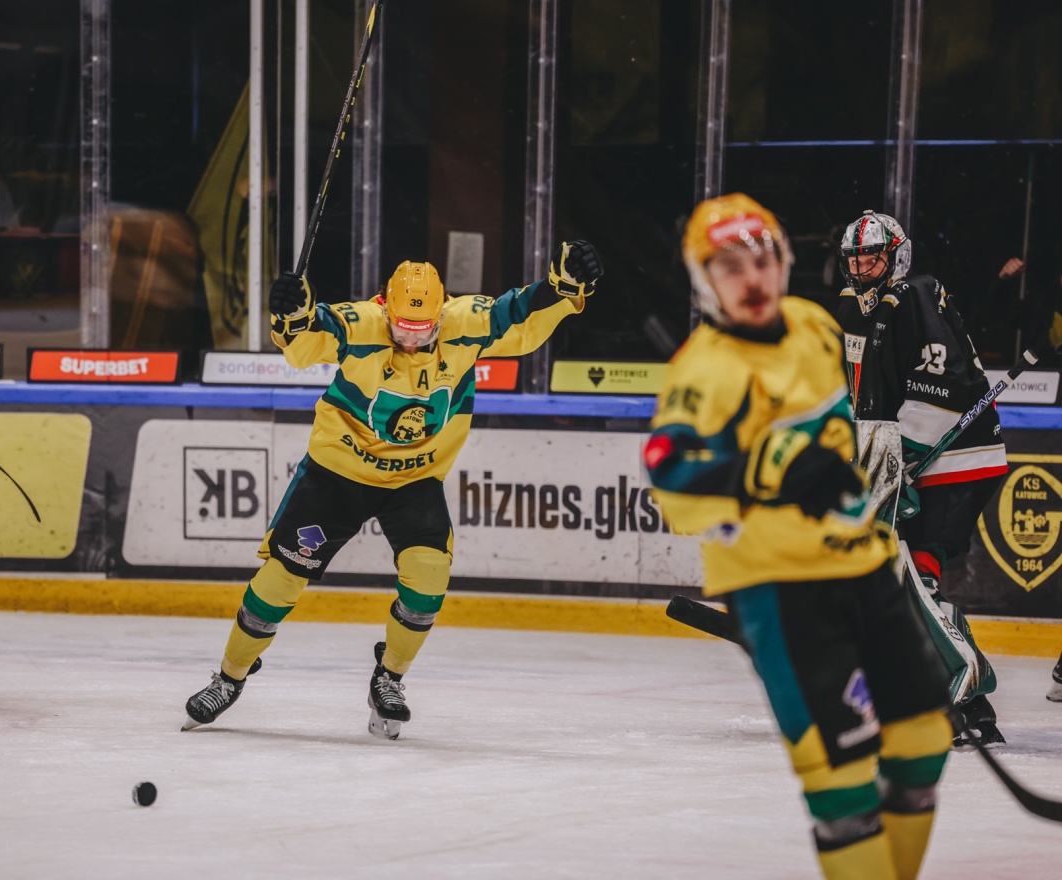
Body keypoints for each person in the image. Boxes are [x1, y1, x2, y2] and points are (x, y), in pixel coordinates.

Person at [645, 194, 951, 880]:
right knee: (841, 783)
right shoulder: (703, 369)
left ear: (784, 263)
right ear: (704, 282)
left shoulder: (815, 327)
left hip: (862, 565)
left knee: (924, 741)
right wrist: (767, 470)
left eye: (762, 261)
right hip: (781, 591)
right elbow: (670, 474)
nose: (751, 279)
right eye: (729, 268)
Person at [182, 243, 602, 739]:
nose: (412, 338)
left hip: (414, 480)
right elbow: (309, 339)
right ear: (384, 308)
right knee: (281, 579)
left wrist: (563, 285)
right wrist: (292, 314)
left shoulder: (466, 322)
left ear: (443, 313)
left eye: (424, 329)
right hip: (338, 474)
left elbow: (521, 314)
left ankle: (390, 678)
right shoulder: (362, 324)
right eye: (402, 327)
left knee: (429, 581)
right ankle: (229, 678)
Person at [835, 210, 1008, 745]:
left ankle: (958, 685)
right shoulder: (859, 308)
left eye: (872, 258)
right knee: (912, 577)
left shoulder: (912, 295)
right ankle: (974, 710)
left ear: (897, 256)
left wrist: (901, 452)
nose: (861, 268)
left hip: (954, 457)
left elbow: (941, 383)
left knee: (904, 577)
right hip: (919, 456)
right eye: (855, 260)